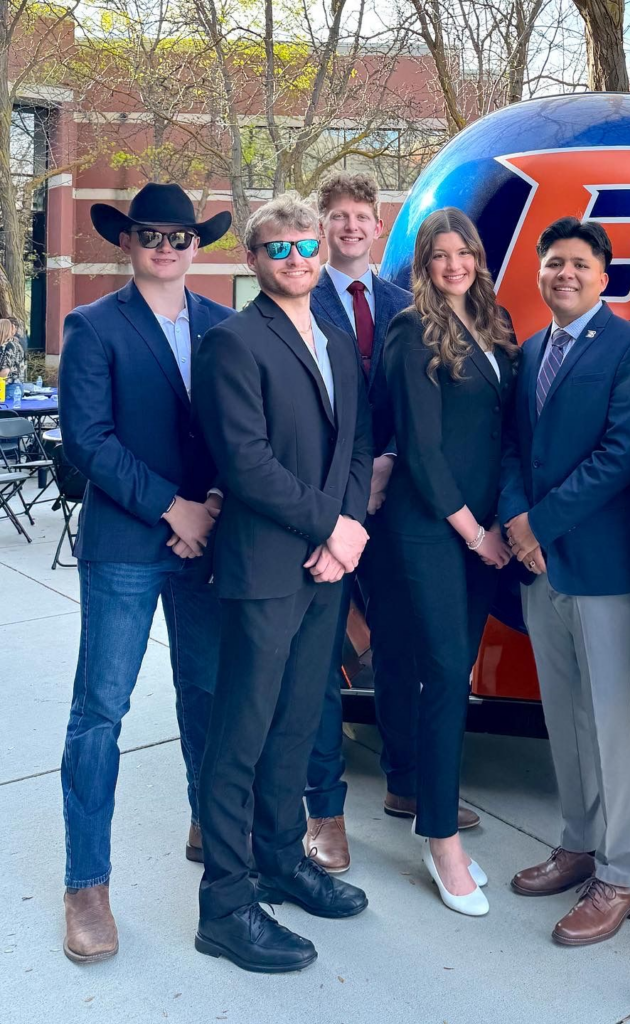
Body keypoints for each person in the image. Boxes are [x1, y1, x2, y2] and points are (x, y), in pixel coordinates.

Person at [192, 194, 373, 973]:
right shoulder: (234, 343)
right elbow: (246, 461)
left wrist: (351, 530)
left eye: (306, 246)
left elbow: (358, 447)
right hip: (266, 568)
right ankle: (227, 904)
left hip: (326, 569)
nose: (297, 259)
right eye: (279, 249)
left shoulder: (336, 339)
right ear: (253, 260)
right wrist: (327, 527)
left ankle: (278, 859)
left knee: (297, 727)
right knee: (242, 735)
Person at [57, 183, 233, 964]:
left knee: (207, 694)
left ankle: (208, 819)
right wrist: (174, 509)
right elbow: (88, 442)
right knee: (101, 712)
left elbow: (241, 430)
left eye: (180, 235)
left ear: (199, 245)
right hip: (128, 546)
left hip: (209, 547)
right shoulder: (92, 327)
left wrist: (219, 502)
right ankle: (86, 886)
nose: (167, 246)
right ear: (126, 242)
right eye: (151, 234)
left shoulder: (227, 327)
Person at [303, 172, 469, 878]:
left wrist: (389, 464)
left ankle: (407, 780)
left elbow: (420, 408)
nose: (349, 227)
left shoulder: (412, 305)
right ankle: (326, 812)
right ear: (321, 227)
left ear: (380, 227)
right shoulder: (298, 296)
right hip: (322, 508)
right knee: (319, 657)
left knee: (399, 649)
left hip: (396, 505)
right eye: (336, 216)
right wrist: (344, 489)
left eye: (361, 216)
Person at [501, 217, 630, 946]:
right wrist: (513, 521)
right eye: (553, 262)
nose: (564, 273)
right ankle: (577, 842)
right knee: (562, 715)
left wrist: (539, 523)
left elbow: (620, 454)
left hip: (599, 568)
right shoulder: (531, 349)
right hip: (538, 567)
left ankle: (622, 873)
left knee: (613, 724)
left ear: (605, 276)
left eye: (579, 264)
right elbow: (512, 450)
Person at [379, 206, 517, 917]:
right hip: (434, 530)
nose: (454, 265)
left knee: (452, 676)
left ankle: (432, 813)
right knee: (442, 676)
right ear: (424, 263)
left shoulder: (496, 325)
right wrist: (474, 533)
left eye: (464, 253)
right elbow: (423, 451)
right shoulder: (410, 329)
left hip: (482, 534)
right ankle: (440, 840)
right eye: (440, 254)